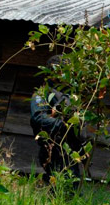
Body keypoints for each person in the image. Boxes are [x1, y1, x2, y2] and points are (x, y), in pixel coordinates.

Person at [29, 56, 86, 185]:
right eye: (62, 70)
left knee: (71, 187)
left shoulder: (71, 96)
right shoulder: (42, 94)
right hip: (53, 149)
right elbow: (38, 119)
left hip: (71, 151)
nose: (65, 75)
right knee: (60, 186)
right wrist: (63, 123)